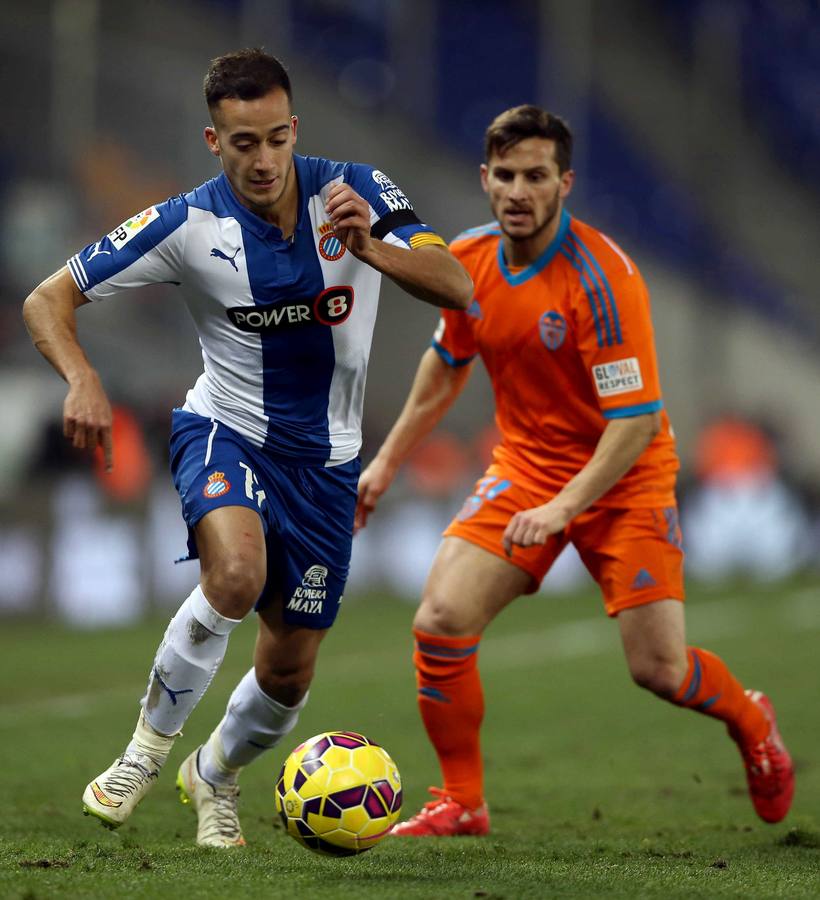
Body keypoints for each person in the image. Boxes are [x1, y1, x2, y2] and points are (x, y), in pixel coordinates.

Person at [22, 48, 472, 848]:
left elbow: (457, 284)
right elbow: (46, 298)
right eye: (241, 143)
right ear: (212, 141)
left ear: (294, 128)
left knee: (289, 672)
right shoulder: (185, 226)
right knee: (235, 575)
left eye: (274, 139)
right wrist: (82, 376)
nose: (262, 160)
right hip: (227, 431)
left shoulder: (359, 192)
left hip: (329, 466)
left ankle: (216, 774)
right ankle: (142, 755)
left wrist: (373, 250)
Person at [356, 105, 794, 837]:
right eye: (505, 176)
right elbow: (447, 362)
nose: (518, 191)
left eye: (536, 176)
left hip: (625, 478)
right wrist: (387, 459)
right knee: (439, 622)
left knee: (658, 669)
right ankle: (463, 801)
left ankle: (751, 720)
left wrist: (563, 509)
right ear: (484, 179)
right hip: (524, 469)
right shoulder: (465, 261)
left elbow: (636, 423)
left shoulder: (602, 281)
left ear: (566, 182)